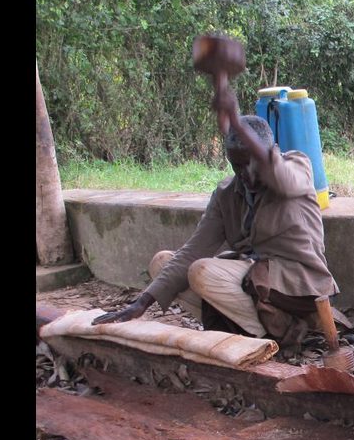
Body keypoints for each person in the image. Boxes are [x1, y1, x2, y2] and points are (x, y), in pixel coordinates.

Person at [93, 84, 339, 348]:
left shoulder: (297, 166)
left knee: (202, 271)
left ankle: (279, 333)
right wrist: (141, 303)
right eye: (238, 165)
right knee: (162, 264)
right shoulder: (227, 193)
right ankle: (255, 330)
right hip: (255, 281)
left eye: (253, 161)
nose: (246, 174)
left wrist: (241, 128)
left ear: (271, 153)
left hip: (299, 283)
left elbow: (285, 180)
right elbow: (193, 249)